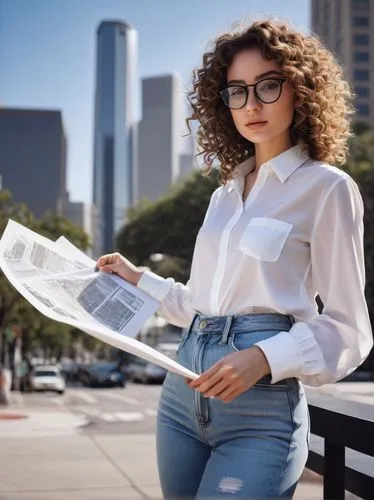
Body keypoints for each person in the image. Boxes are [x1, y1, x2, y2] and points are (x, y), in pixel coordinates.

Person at [96, 19, 373, 499]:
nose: (252, 105)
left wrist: (264, 357)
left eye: (267, 86)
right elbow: (202, 308)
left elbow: (350, 330)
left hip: (261, 410)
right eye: (237, 92)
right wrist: (135, 276)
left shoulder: (327, 188)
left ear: (299, 90)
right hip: (182, 400)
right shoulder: (224, 195)